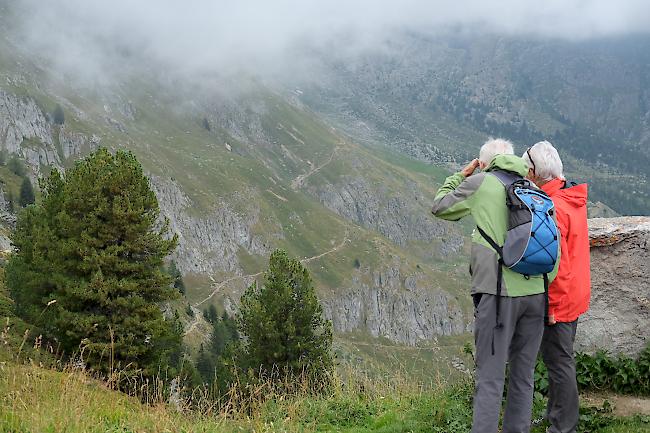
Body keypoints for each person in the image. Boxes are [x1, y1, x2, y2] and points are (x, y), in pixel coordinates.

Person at [431, 138, 558, 433]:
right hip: (537, 294)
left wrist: (462, 174)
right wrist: (540, 288)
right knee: (523, 377)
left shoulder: (481, 183)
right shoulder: (535, 190)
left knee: (490, 377)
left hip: (498, 296)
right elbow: (554, 249)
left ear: (484, 164)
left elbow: (439, 206)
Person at [523, 141, 590, 433]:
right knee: (558, 360)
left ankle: (564, 427)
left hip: (559, 302)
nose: (524, 172)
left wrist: (551, 308)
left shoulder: (552, 209)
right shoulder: (569, 197)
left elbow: (556, 269)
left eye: (527, 167)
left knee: (559, 363)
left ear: (538, 173)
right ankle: (556, 416)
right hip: (575, 293)